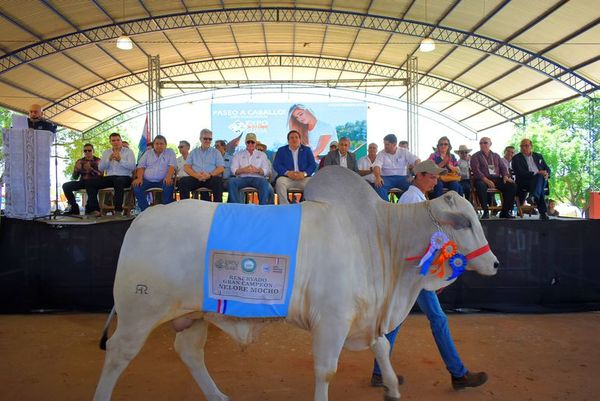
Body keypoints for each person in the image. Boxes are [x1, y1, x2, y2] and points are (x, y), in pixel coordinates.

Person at [370, 159, 488, 391]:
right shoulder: (413, 200)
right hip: (415, 273)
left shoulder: (416, 199)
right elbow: (416, 242)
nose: (436, 181)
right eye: (432, 177)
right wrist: (432, 272)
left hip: (413, 272)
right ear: (420, 175)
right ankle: (458, 373)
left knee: (399, 321)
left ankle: (379, 373)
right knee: (437, 319)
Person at [86, 132, 136, 216]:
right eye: (113, 140)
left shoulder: (129, 152)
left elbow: (132, 167)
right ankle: (95, 210)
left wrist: (120, 160)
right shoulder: (106, 152)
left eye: (118, 140)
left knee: (118, 181)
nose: (115, 142)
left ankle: (118, 211)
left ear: (121, 140)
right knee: (90, 182)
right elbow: (101, 168)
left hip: (125, 177)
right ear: (110, 142)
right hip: (110, 177)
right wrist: (108, 160)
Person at [470, 137, 516, 219]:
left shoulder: (496, 156)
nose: (482, 144)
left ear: (490, 144)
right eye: (481, 143)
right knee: (480, 185)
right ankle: (486, 211)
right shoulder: (475, 156)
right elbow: (476, 171)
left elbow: (503, 167)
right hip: (482, 179)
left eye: (485, 143)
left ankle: (504, 212)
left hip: (496, 178)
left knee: (512, 186)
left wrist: (505, 176)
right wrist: (487, 181)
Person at [132, 135, 176, 212]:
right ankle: (145, 211)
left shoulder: (170, 152)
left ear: (165, 145)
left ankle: (166, 211)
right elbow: (141, 166)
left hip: (163, 181)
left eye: (161, 144)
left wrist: (169, 177)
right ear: (153, 145)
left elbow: (172, 166)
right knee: (136, 186)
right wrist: (139, 178)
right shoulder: (147, 153)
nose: (159, 145)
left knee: (168, 185)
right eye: (157, 143)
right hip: (147, 181)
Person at [272, 130, 317, 204]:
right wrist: (287, 173)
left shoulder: (307, 150)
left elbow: (312, 165)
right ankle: (285, 207)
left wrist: (304, 174)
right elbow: (276, 164)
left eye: (296, 137)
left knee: (312, 183)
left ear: (300, 140)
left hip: (303, 178)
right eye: (292, 138)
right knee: (280, 182)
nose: (294, 139)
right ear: (288, 140)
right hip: (287, 178)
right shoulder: (281, 150)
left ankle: (306, 205)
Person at [179, 129, 224, 202]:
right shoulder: (193, 152)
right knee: (183, 181)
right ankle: (185, 206)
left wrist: (209, 175)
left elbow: (221, 168)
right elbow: (186, 167)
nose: (208, 141)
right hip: (196, 178)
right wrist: (196, 175)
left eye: (210, 139)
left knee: (218, 181)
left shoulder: (216, 152)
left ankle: (217, 206)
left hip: (210, 178)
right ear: (200, 139)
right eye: (205, 138)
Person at [227, 133, 273, 204]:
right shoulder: (238, 154)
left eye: (252, 142)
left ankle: (263, 207)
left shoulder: (262, 155)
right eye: (248, 142)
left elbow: (266, 170)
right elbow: (233, 169)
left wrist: (258, 171)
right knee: (232, 182)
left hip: (258, 179)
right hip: (242, 178)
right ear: (245, 143)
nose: (250, 144)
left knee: (264, 182)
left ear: (255, 143)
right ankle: (235, 206)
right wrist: (243, 170)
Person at [512, 138, 551, 220]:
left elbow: (547, 168)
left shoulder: (538, 156)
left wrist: (547, 174)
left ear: (531, 146)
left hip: (539, 180)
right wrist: (535, 173)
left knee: (540, 178)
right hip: (525, 181)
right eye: (522, 146)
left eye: (526, 145)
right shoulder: (516, 158)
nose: (523, 147)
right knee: (539, 181)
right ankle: (542, 212)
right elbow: (519, 172)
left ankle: (533, 196)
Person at [372, 134, 420, 201]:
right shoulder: (381, 153)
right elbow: (376, 166)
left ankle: (406, 205)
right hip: (386, 178)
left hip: (403, 178)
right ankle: (386, 208)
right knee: (379, 185)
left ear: (394, 144)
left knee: (415, 186)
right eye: (384, 144)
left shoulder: (404, 151)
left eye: (387, 144)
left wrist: (415, 175)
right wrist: (377, 177)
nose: (385, 146)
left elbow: (417, 160)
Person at [62, 143, 102, 215]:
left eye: (89, 150)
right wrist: (76, 170)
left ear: (93, 151)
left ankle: (93, 209)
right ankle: (74, 207)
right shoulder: (79, 161)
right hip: (83, 182)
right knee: (66, 186)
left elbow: (101, 175)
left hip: (94, 182)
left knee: (90, 184)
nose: (87, 152)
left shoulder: (98, 161)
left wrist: (91, 169)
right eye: (85, 151)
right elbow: (75, 177)